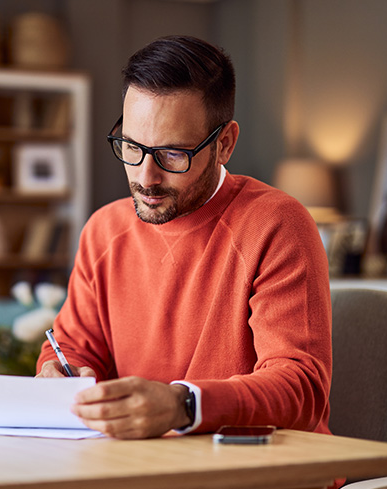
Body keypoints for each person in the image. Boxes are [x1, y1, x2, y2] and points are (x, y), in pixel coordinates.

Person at [36, 35, 332, 441]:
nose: (145, 177)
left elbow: (301, 388)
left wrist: (182, 405)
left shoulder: (277, 224)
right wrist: (60, 372)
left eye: (173, 154)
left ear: (224, 144)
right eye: (131, 146)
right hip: (146, 467)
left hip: (262, 470)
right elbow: (71, 349)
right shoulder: (103, 231)